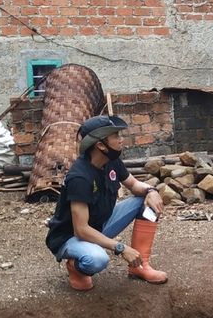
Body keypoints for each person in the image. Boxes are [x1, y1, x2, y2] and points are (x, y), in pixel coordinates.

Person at [46, 115, 168, 290]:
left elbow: (133, 184)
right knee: (98, 260)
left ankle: (140, 267)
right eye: (116, 136)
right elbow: (81, 230)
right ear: (101, 145)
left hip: (99, 225)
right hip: (70, 236)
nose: (121, 140)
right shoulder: (79, 177)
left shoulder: (111, 162)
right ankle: (76, 267)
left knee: (146, 201)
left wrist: (151, 191)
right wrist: (121, 247)